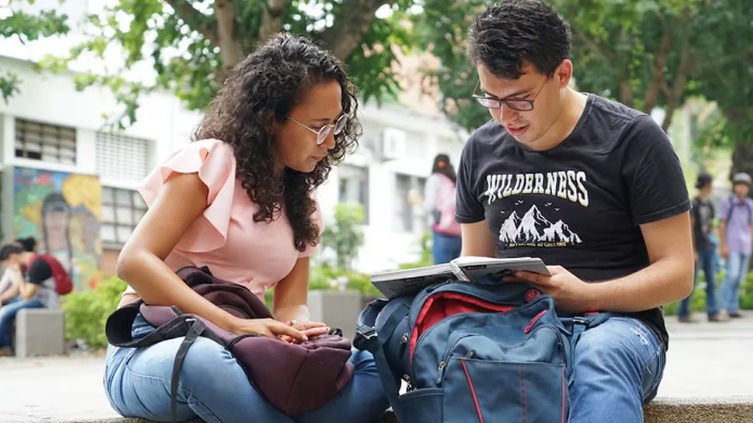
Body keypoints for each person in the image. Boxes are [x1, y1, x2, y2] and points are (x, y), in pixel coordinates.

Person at [103, 34, 387, 423]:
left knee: (373, 365)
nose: (331, 141)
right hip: (157, 344)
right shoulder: (210, 163)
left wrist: (296, 327)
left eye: (336, 125)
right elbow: (134, 262)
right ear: (270, 118)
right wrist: (234, 324)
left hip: (247, 353)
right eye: (319, 127)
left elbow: (290, 302)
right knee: (204, 362)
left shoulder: (302, 202)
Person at [457, 1, 693, 422]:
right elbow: (476, 261)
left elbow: (678, 273)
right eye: (490, 98)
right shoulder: (479, 149)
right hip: (518, 327)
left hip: (618, 328)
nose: (504, 116)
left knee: (596, 357)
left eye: (520, 99)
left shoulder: (633, 139)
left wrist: (586, 295)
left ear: (562, 74)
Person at [678, 173, 727, 322]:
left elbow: (711, 226)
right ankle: (683, 312)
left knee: (712, 280)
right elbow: (690, 229)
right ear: (706, 185)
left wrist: (716, 244)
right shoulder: (694, 204)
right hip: (697, 248)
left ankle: (713, 312)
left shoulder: (709, 204)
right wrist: (692, 251)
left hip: (709, 247)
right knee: (692, 282)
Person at [0, 239, 61, 356]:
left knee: (5, 311)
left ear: (12, 258)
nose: (8, 267)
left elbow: (27, 295)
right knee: (6, 306)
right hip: (36, 299)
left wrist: (18, 273)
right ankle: (7, 346)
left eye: (7, 264)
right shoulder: (29, 264)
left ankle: (3, 346)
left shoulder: (36, 265)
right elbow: (16, 291)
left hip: (45, 302)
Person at [717, 171, 753, 319]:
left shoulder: (750, 205)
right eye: (739, 185)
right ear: (734, 186)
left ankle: (733, 307)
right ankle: (723, 308)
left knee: (739, 278)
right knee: (731, 275)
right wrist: (723, 245)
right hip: (732, 244)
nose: (742, 188)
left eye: (744, 185)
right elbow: (722, 224)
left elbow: (751, 225)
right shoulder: (728, 202)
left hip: (745, 245)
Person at [423, 153, 462, 264]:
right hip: (459, 234)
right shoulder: (454, 181)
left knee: (442, 273)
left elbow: (430, 204)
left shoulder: (435, 179)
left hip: (442, 232)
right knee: (459, 272)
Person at [0, 237, 38, 306]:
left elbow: (24, 295)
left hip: (33, 301)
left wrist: (18, 272)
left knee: (5, 312)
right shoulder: (17, 268)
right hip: (24, 300)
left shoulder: (34, 265)